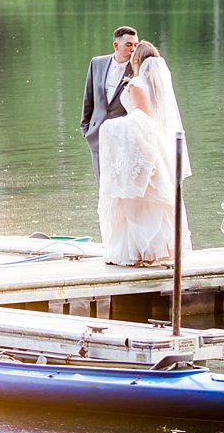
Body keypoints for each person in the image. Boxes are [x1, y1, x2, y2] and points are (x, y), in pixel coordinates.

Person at [97, 41, 193, 267]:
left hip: (142, 144)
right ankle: (161, 251)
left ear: (136, 60)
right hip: (157, 144)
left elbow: (142, 118)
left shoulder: (138, 84)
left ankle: (138, 252)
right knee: (154, 200)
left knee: (136, 200)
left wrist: (113, 127)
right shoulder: (157, 85)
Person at [80, 26, 139, 178]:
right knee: (103, 185)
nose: (133, 49)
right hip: (97, 134)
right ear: (116, 45)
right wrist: (85, 128)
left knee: (122, 182)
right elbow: (88, 96)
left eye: (135, 45)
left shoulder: (139, 69)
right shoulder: (97, 63)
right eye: (129, 45)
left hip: (124, 136)